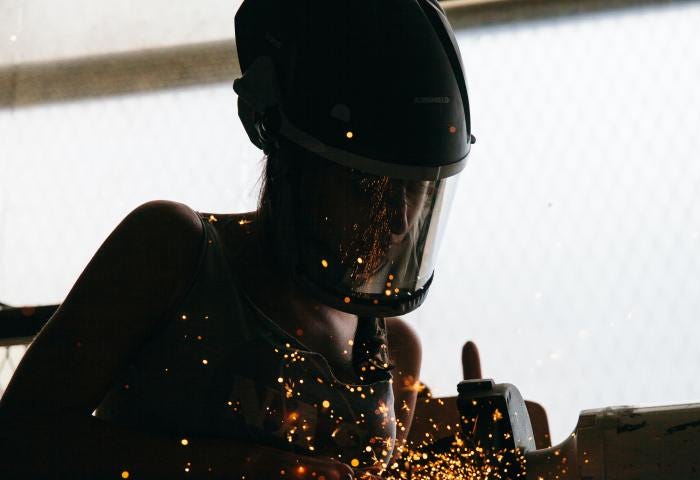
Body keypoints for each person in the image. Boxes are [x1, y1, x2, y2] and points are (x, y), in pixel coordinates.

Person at [0, 0, 475, 478]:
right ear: (287, 152)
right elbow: (18, 438)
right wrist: (235, 469)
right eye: (364, 187)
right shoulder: (172, 251)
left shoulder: (393, 351)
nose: (396, 220)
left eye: (413, 190)